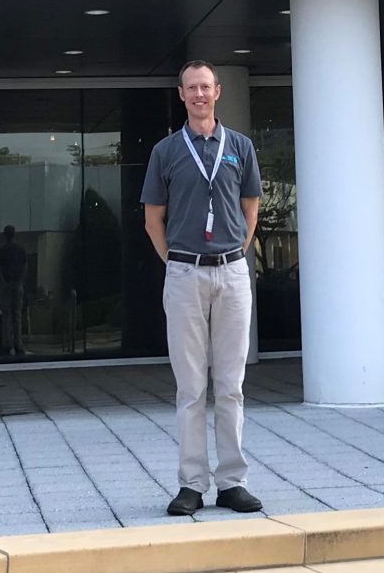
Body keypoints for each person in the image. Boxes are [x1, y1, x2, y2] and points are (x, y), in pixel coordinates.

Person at [141, 60, 263, 516]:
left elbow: (250, 207)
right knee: (191, 388)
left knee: (230, 385)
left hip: (231, 274)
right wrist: (175, 261)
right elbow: (153, 219)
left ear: (218, 92)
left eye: (206, 87)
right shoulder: (166, 152)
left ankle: (232, 482)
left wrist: (236, 251)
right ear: (181, 94)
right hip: (186, 275)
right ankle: (191, 484)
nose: (199, 95)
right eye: (191, 88)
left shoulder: (241, 147)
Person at [0, 224, 27, 356]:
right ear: (14, 234)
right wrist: (20, 280)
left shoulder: (2, 250)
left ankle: (7, 345)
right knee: (17, 315)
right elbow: (25, 266)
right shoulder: (21, 249)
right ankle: (18, 345)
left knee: (6, 316)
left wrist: (3, 281)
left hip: (6, 284)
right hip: (18, 284)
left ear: (5, 235)